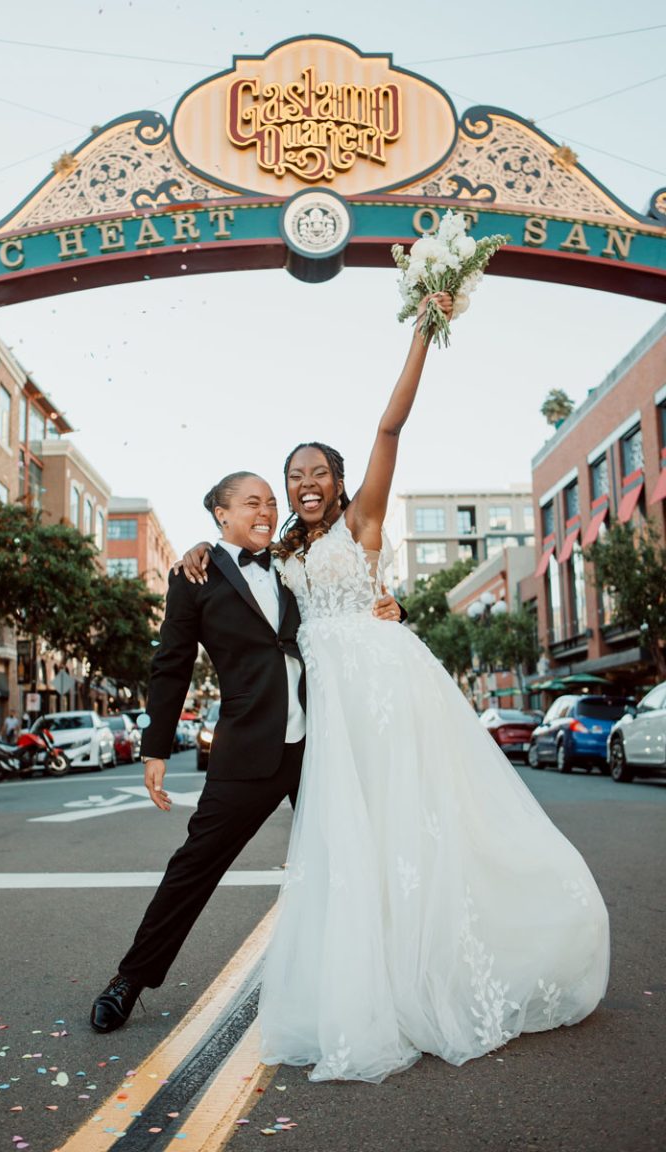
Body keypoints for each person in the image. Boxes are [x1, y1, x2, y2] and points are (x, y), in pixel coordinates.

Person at [180, 293, 610, 1082]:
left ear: (341, 484)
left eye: (317, 473)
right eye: (292, 476)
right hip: (329, 711)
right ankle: (375, 976)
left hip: (383, 688)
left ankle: (444, 966)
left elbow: (389, 427)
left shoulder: (362, 524)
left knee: (419, 830)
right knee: (356, 845)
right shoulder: (277, 555)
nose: (304, 483)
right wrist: (197, 549)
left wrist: (422, 333)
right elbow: (238, 560)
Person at [89, 471, 401, 1033]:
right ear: (220, 513)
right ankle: (128, 980)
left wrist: (390, 609)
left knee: (355, 854)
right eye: (252, 503)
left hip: (321, 744)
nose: (266, 511)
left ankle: (386, 977)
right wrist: (154, 747)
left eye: (271, 503)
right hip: (246, 750)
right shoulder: (195, 575)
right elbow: (172, 663)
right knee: (194, 867)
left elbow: (346, 606)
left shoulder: (292, 561)